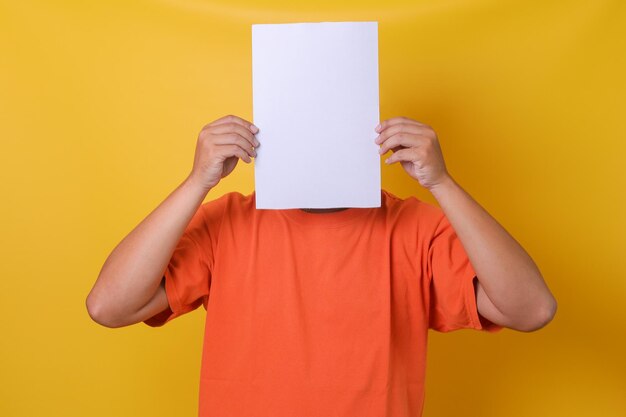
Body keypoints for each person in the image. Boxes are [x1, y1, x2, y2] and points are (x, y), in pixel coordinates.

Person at [86, 114, 557, 417]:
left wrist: (443, 184)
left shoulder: (414, 228)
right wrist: (197, 182)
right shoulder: (226, 221)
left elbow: (531, 310)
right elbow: (109, 306)